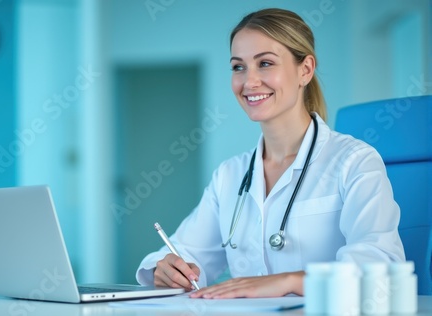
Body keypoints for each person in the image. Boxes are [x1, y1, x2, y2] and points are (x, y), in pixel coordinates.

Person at [136, 8, 405, 298]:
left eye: (265, 63)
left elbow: (382, 267)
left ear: (305, 70)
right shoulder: (230, 176)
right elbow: (185, 252)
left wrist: (290, 281)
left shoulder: (354, 162)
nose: (249, 82)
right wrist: (166, 269)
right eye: (238, 67)